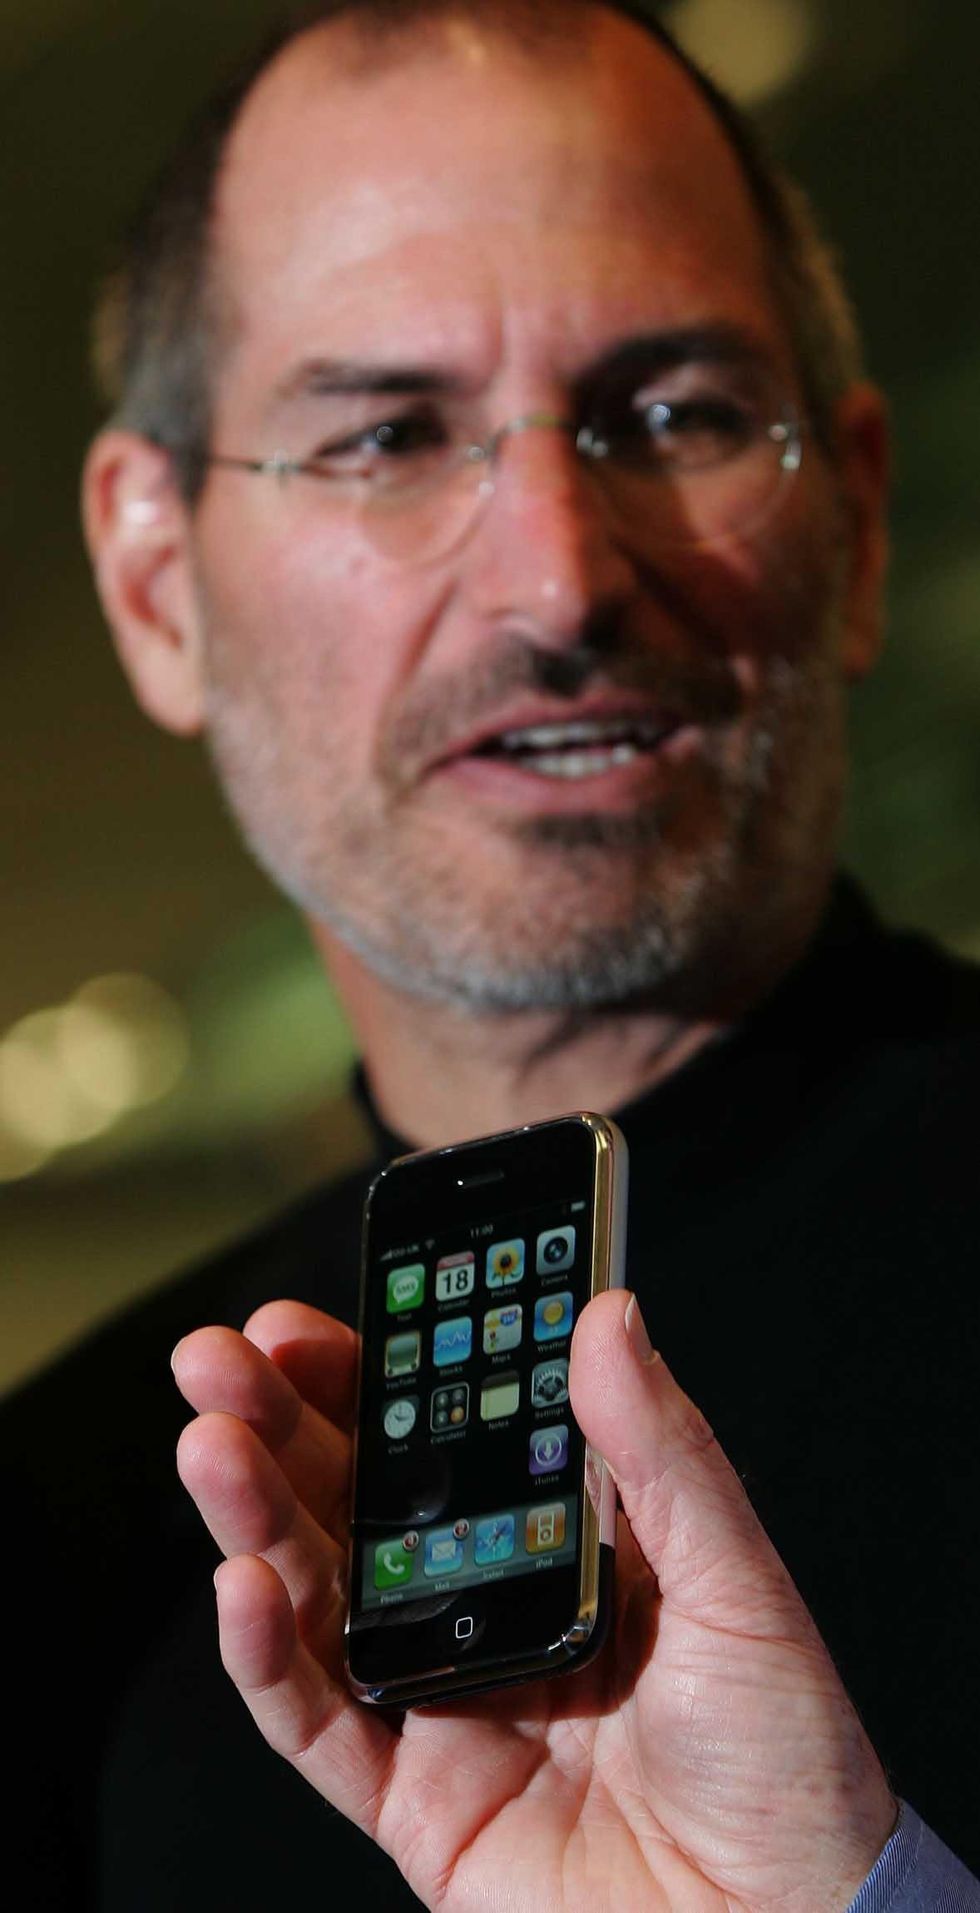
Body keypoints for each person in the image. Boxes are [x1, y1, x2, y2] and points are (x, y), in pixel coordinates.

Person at [3, 1, 977, 1905]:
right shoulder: (58, 1552)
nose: (556, 572)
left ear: (856, 526)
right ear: (153, 583)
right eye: (385, 433)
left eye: (677, 414)